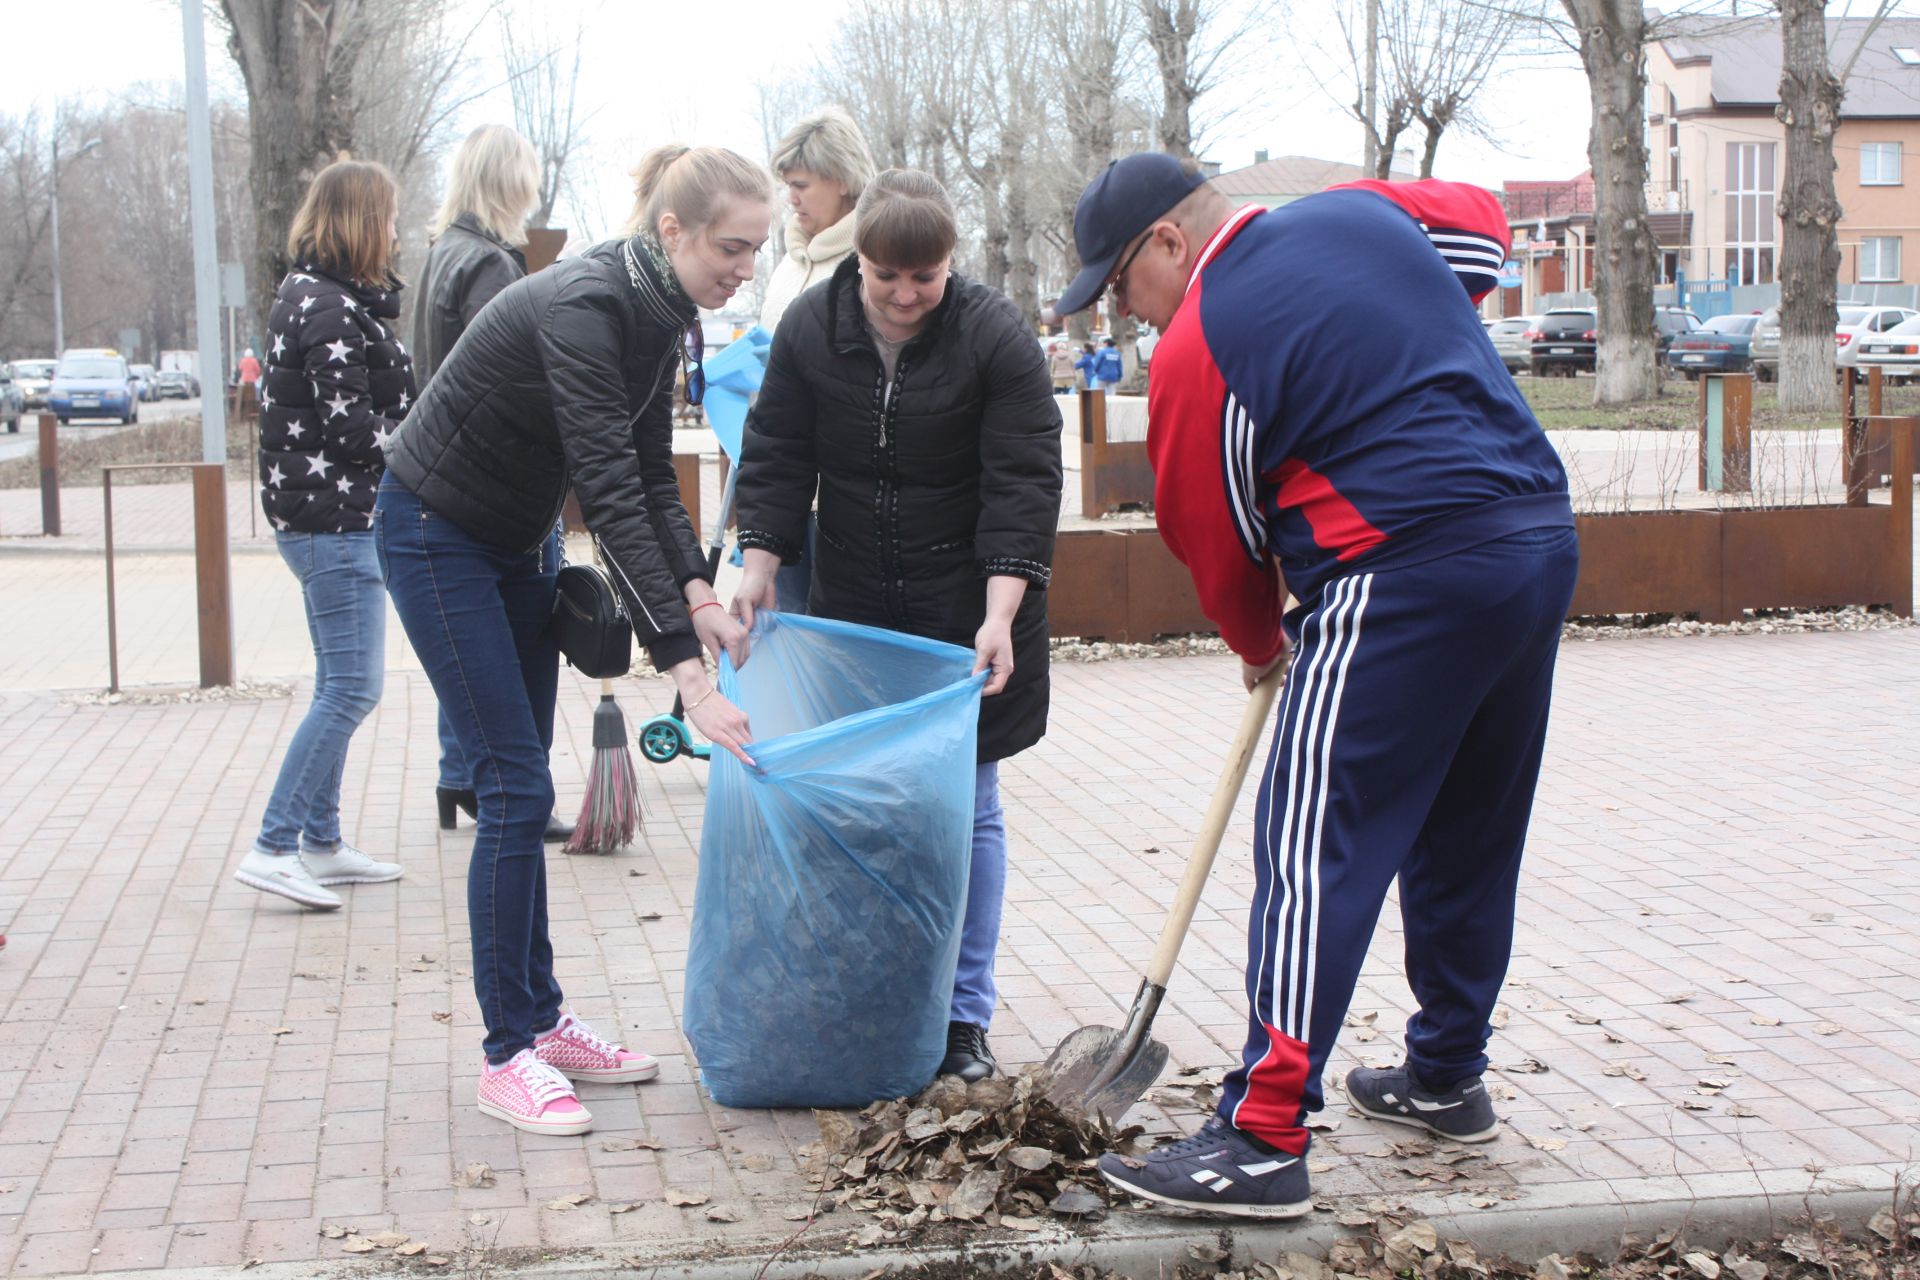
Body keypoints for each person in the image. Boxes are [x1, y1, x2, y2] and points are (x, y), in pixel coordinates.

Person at [1058, 153, 1577, 1218]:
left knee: (1311, 840)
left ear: (1167, 241)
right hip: (1530, 537)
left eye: (1119, 287)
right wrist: (1382, 320)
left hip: (1398, 570)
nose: (1127, 315)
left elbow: (1211, 530)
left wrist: (1256, 640)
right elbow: (1482, 232)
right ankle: (1443, 1072)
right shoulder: (1361, 218)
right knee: (1470, 822)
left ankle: (1258, 1136)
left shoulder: (1203, 342)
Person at [378, 144, 769, 1136]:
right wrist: (689, 673)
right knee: (513, 784)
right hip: (436, 532)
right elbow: (607, 487)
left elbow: (647, 470)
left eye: (758, 249)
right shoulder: (587, 306)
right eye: (732, 246)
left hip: (515, 539)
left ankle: (542, 1017)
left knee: (524, 784)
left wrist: (700, 592)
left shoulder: (661, 312)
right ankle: (508, 1050)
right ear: (672, 230)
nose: (745, 269)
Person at [731, 169, 1063, 1085]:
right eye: (888, 278)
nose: (909, 296)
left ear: (950, 263)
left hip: (968, 618)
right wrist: (758, 565)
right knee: (863, 808)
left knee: (968, 808)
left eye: (928, 277)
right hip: (856, 609)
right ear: (860, 261)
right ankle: (871, 994)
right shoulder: (811, 327)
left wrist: (1001, 614)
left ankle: (961, 1020)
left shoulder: (994, 336)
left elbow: (1024, 483)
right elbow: (775, 454)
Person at [231, 160, 413, 911]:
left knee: (338, 683)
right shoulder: (333, 310)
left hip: (315, 519)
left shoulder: (309, 295)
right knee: (350, 688)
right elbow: (353, 434)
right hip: (337, 521)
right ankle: (273, 845)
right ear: (364, 223)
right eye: (390, 217)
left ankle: (321, 841)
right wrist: (422, 438)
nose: (397, 230)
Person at [410, 123, 573, 845]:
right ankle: (507, 784)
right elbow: (516, 378)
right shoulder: (490, 267)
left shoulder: (442, 255)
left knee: (469, 644)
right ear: (512, 183)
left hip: (445, 471)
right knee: (512, 648)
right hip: (495, 482)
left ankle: (462, 773)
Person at [760, 106, 877, 333]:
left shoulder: (878, 265)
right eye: (788, 186)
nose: (792, 199)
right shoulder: (790, 262)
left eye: (801, 186)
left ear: (843, 180)